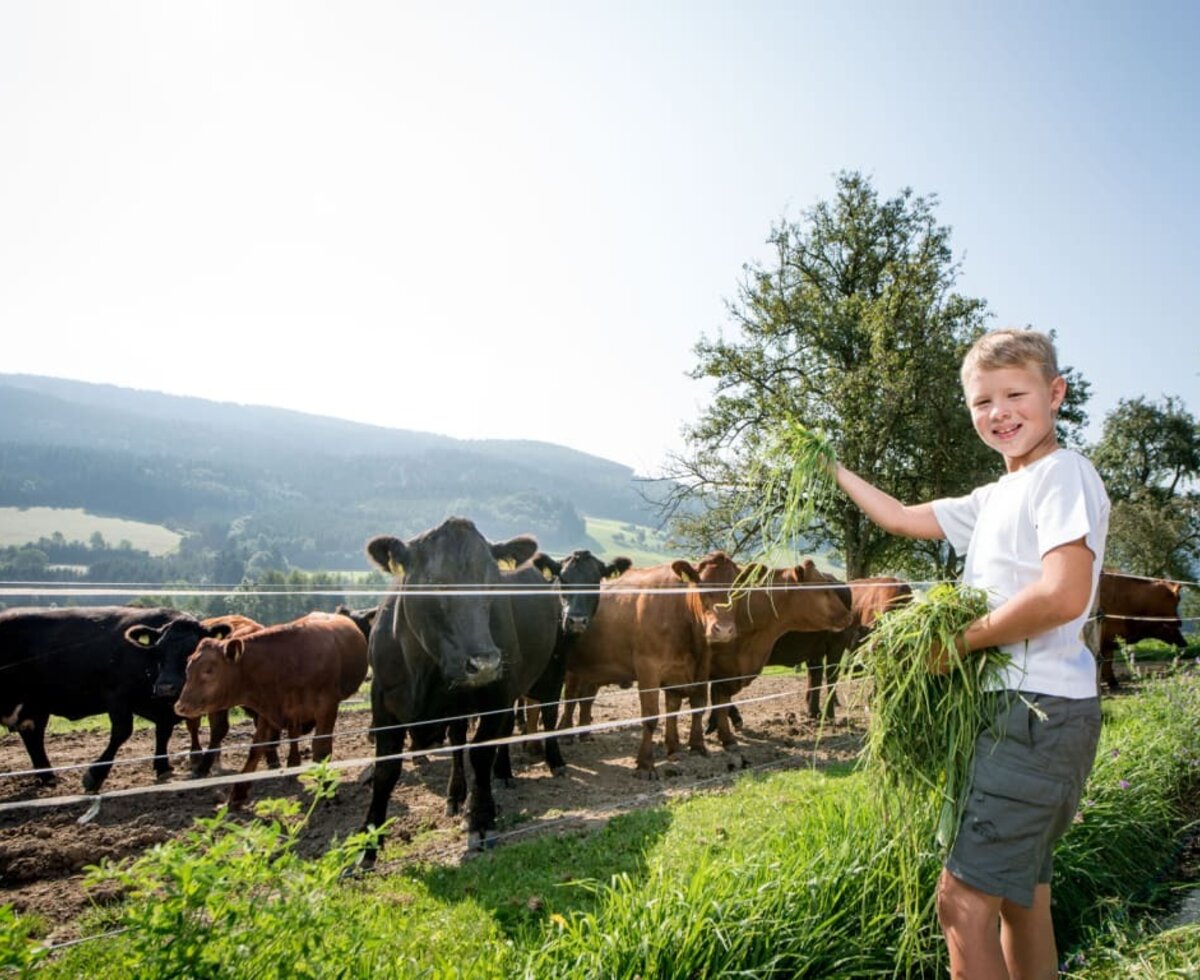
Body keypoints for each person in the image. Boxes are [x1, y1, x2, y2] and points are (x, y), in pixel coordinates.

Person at [832, 328, 1109, 979]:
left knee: (960, 906)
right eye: (983, 401)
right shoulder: (993, 498)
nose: (1000, 412)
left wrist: (956, 644)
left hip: (1036, 712)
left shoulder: (1062, 474)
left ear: (1055, 394)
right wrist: (831, 467)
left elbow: (1064, 592)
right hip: (1015, 710)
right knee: (1020, 898)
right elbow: (899, 515)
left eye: (1016, 394)